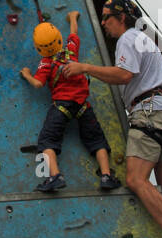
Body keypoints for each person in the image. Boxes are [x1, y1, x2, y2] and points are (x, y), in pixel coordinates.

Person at [58, 0, 162, 238]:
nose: (103, 23)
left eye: (107, 17)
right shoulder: (145, 40)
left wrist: (84, 67)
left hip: (150, 111)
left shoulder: (128, 39)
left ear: (121, 18)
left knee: (135, 179)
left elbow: (123, 75)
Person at [20, 10, 121, 193]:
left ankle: (55, 176)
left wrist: (27, 75)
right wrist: (73, 17)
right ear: (59, 38)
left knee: (47, 140)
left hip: (61, 107)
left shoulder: (45, 63)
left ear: (38, 48)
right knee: (97, 140)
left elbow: (38, 84)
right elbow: (74, 33)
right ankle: (106, 176)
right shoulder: (71, 52)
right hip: (83, 106)